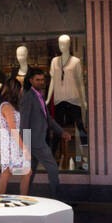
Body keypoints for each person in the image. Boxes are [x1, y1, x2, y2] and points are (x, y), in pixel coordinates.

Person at [16, 67, 70, 198]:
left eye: (42, 79)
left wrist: (61, 132)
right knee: (52, 167)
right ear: (31, 80)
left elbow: (48, 119)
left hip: (36, 141)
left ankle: (24, 198)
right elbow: (24, 123)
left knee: (30, 172)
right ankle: (58, 198)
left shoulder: (39, 96)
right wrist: (25, 146)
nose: (41, 82)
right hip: (36, 142)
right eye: (38, 80)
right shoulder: (28, 97)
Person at [0, 78, 28, 194]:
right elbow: (13, 129)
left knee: (10, 172)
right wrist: (24, 148)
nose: (21, 92)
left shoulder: (9, 106)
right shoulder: (7, 107)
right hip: (9, 144)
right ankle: (1, 200)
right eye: (20, 89)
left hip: (10, 143)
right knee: (8, 172)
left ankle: (21, 199)